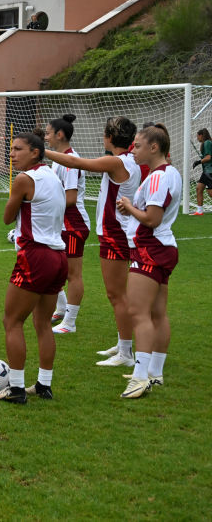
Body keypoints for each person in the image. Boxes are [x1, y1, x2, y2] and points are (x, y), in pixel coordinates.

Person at [46, 116, 139, 367]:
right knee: (116, 294)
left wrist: (39, 150)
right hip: (115, 232)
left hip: (115, 233)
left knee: (116, 294)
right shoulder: (128, 161)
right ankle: (123, 345)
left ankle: (126, 353)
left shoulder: (118, 161)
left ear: (110, 137)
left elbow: (76, 162)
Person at [0, 132, 67, 404]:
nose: (12, 154)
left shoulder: (24, 179)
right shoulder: (53, 176)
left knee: (12, 321)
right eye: (11, 149)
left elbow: (7, 218)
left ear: (35, 152)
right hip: (58, 255)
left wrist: (16, 198)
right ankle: (44, 384)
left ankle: (17, 388)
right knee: (43, 322)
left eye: (18, 149)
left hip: (36, 255)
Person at [116, 124, 180, 398]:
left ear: (154, 147)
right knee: (156, 313)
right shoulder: (171, 172)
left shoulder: (157, 177)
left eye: (138, 145)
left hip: (149, 248)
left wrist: (129, 206)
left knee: (138, 313)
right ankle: (154, 371)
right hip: (161, 246)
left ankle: (141, 377)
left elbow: (151, 219)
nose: (133, 149)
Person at [45, 115, 90, 334]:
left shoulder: (71, 161)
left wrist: (44, 203)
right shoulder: (58, 159)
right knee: (53, 269)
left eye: (48, 133)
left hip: (73, 224)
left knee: (73, 274)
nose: (46, 138)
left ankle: (70, 323)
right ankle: (61, 308)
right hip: (60, 224)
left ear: (59, 135)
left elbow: (70, 198)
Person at [192, 128, 212, 215]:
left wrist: (198, 162)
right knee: (199, 188)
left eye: (197, 136)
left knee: (210, 192)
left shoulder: (207, 143)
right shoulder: (206, 143)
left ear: (201, 135)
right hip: (206, 171)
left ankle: (200, 210)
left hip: (210, 170)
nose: (197, 138)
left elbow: (208, 157)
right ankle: (200, 211)